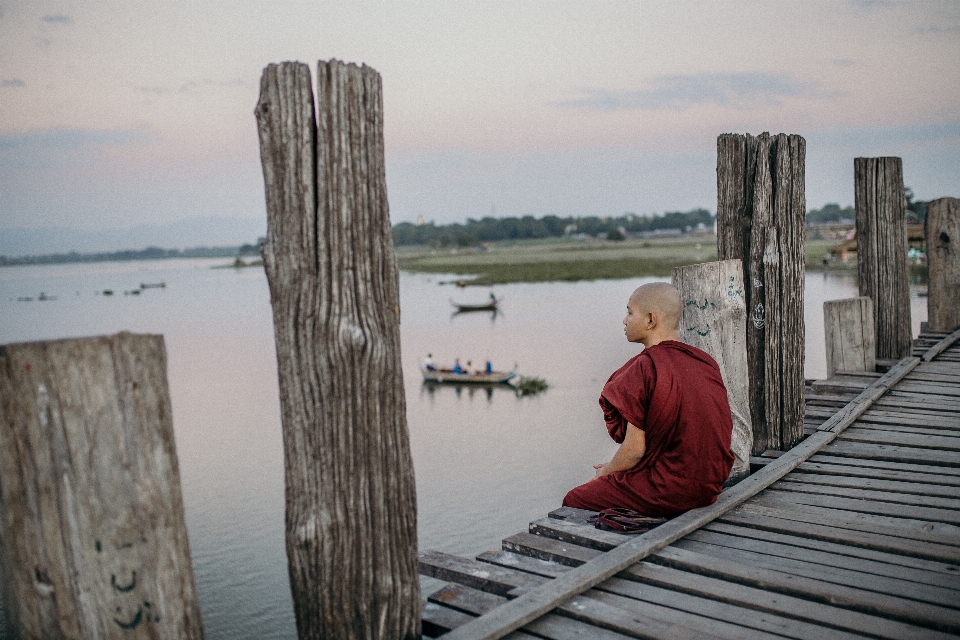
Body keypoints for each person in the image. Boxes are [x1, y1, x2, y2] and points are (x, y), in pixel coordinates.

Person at [562, 282, 734, 518]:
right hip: (711, 486)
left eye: (630, 312)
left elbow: (634, 450)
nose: (624, 320)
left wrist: (605, 474)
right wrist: (614, 469)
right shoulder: (705, 361)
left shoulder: (646, 368)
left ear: (651, 320)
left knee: (575, 498)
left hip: (670, 490)